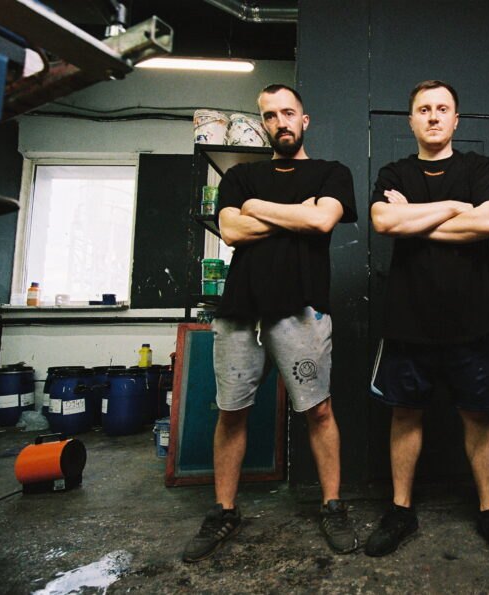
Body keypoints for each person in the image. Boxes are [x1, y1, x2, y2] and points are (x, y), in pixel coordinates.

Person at [182, 84, 359, 562]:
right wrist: (298, 213)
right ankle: (224, 510)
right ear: (263, 123)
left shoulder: (331, 173)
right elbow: (231, 229)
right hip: (240, 311)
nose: (281, 122)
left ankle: (333, 505)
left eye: (288, 113)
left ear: (305, 119)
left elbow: (322, 223)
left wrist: (258, 208)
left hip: (302, 309)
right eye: (270, 115)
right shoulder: (241, 176)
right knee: (231, 412)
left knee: (319, 411)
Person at [365, 80, 489, 557]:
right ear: (411, 120)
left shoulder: (478, 168)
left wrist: (414, 220)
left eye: (442, 108)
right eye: (424, 109)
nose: (433, 116)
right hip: (408, 321)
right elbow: (384, 222)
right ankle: (401, 511)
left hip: (473, 319)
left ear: (455, 119)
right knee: (405, 413)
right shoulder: (395, 172)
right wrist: (451, 208)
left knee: (478, 415)